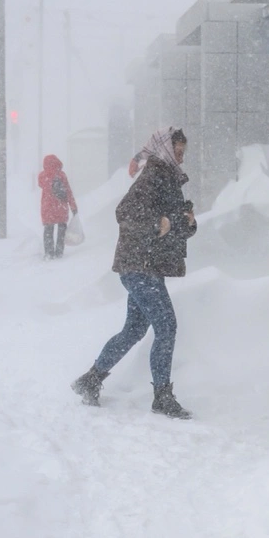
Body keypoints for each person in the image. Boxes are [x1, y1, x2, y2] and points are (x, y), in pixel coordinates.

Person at [71, 127, 197, 419]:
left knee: (135, 329)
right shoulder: (154, 175)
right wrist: (159, 222)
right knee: (166, 326)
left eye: (183, 150)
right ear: (165, 148)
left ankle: (90, 380)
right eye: (177, 149)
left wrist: (186, 222)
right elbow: (125, 212)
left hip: (144, 265)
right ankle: (162, 396)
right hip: (139, 266)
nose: (181, 155)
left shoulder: (168, 178)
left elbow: (170, 224)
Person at [38, 154, 78, 259]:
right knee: (61, 230)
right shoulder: (61, 175)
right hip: (61, 207)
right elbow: (68, 192)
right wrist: (73, 206)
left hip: (47, 209)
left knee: (48, 230)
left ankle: (49, 252)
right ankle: (59, 252)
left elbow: (40, 184)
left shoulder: (42, 176)